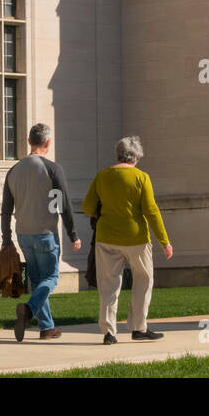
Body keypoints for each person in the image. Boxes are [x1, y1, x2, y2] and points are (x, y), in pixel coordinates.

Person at [81, 135, 172, 344]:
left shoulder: (102, 176)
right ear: (137, 156)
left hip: (106, 238)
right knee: (144, 279)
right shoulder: (142, 177)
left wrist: (103, 211)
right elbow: (151, 211)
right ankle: (139, 327)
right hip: (136, 238)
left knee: (108, 285)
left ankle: (109, 333)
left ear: (118, 154)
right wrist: (164, 242)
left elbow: (87, 206)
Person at [1, 122, 80, 341]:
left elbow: (6, 209)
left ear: (29, 141)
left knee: (37, 281)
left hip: (23, 234)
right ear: (48, 142)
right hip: (45, 232)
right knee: (52, 277)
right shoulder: (52, 168)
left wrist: (6, 239)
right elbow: (63, 204)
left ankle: (47, 328)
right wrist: (73, 234)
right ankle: (27, 310)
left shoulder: (14, 170)